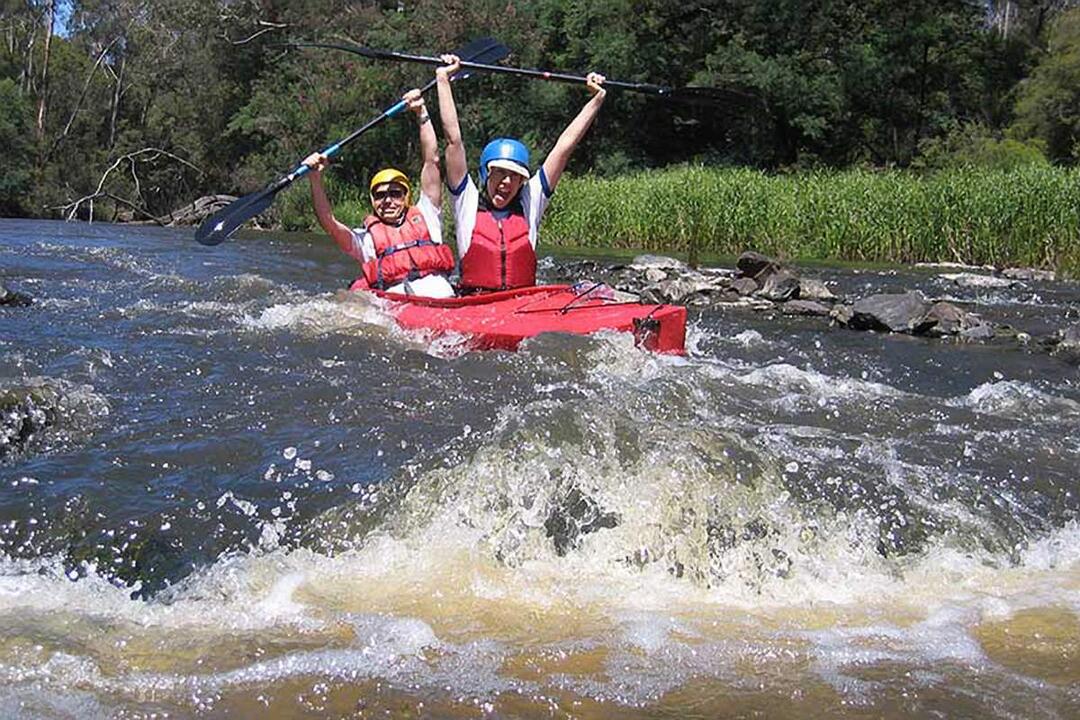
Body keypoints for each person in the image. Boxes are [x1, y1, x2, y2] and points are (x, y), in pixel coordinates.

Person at [435, 54, 606, 293]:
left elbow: (564, 146)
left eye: (514, 176)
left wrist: (597, 99)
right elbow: (453, 140)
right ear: (486, 174)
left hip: (520, 302)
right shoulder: (467, 202)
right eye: (500, 173)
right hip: (474, 302)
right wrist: (443, 80)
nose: (506, 182)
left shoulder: (530, 202)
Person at [302, 88, 456, 298]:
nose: (388, 200)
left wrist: (422, 112)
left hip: (446, 300)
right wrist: (315, 178)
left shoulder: (427, 214)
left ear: (406, 197)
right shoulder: (365, 240)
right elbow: (329, 222)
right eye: (380, 195)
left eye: (395, 193)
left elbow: (432, 160)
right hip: (401, 307)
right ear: (373, 201)